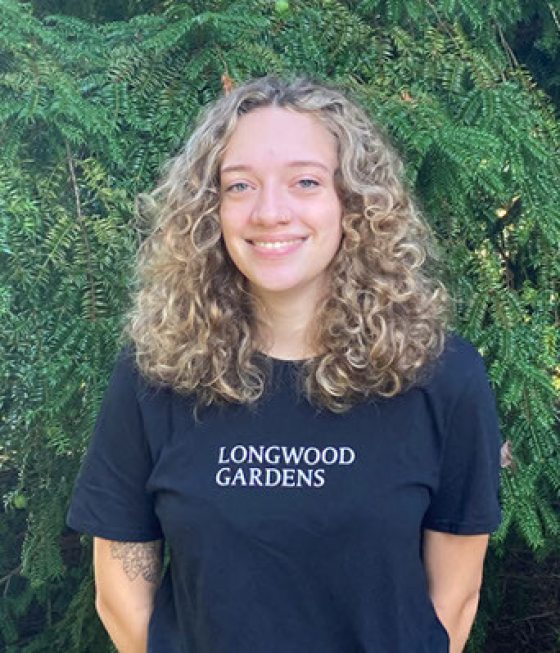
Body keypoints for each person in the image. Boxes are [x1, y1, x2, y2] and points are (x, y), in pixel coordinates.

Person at [66, 75, 502, 653]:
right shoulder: (156, 372)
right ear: (209, 210)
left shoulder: (443, 377)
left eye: (305, 181)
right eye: (240, 185)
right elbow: (120, 578)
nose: (270, 212)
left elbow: (456, 597)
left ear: (354, 201)